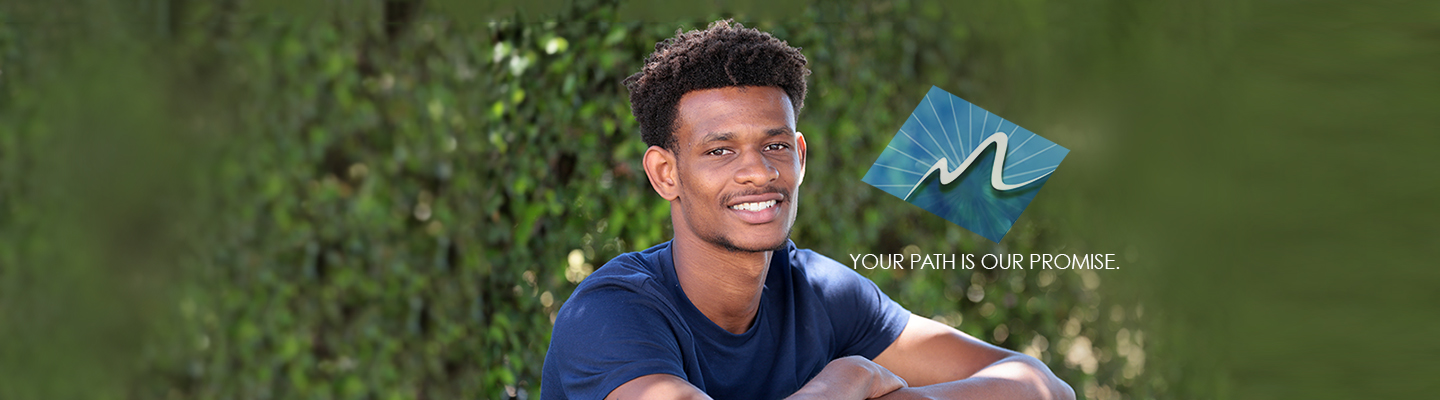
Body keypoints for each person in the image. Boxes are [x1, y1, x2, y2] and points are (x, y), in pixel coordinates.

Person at [541, 19, 1075, 400]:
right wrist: (844, 383)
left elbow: (1043, 385)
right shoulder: (612, 314)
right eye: (719, 150)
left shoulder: (818, 293)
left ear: (799, 156)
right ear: (665, 173)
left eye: (773, 146)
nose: (757, 171)